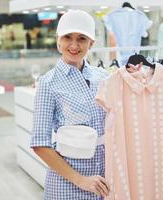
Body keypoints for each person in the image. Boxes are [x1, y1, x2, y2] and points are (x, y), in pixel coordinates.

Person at [30, 10, 110, 199]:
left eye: (82, 38)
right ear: (58, 40)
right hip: (67, 186)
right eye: (68, 37)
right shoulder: (48, 84)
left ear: (92, 43)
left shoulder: (104, 78)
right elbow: (40, 144)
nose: (74, 45)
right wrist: (81, 180)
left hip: (105, 182)